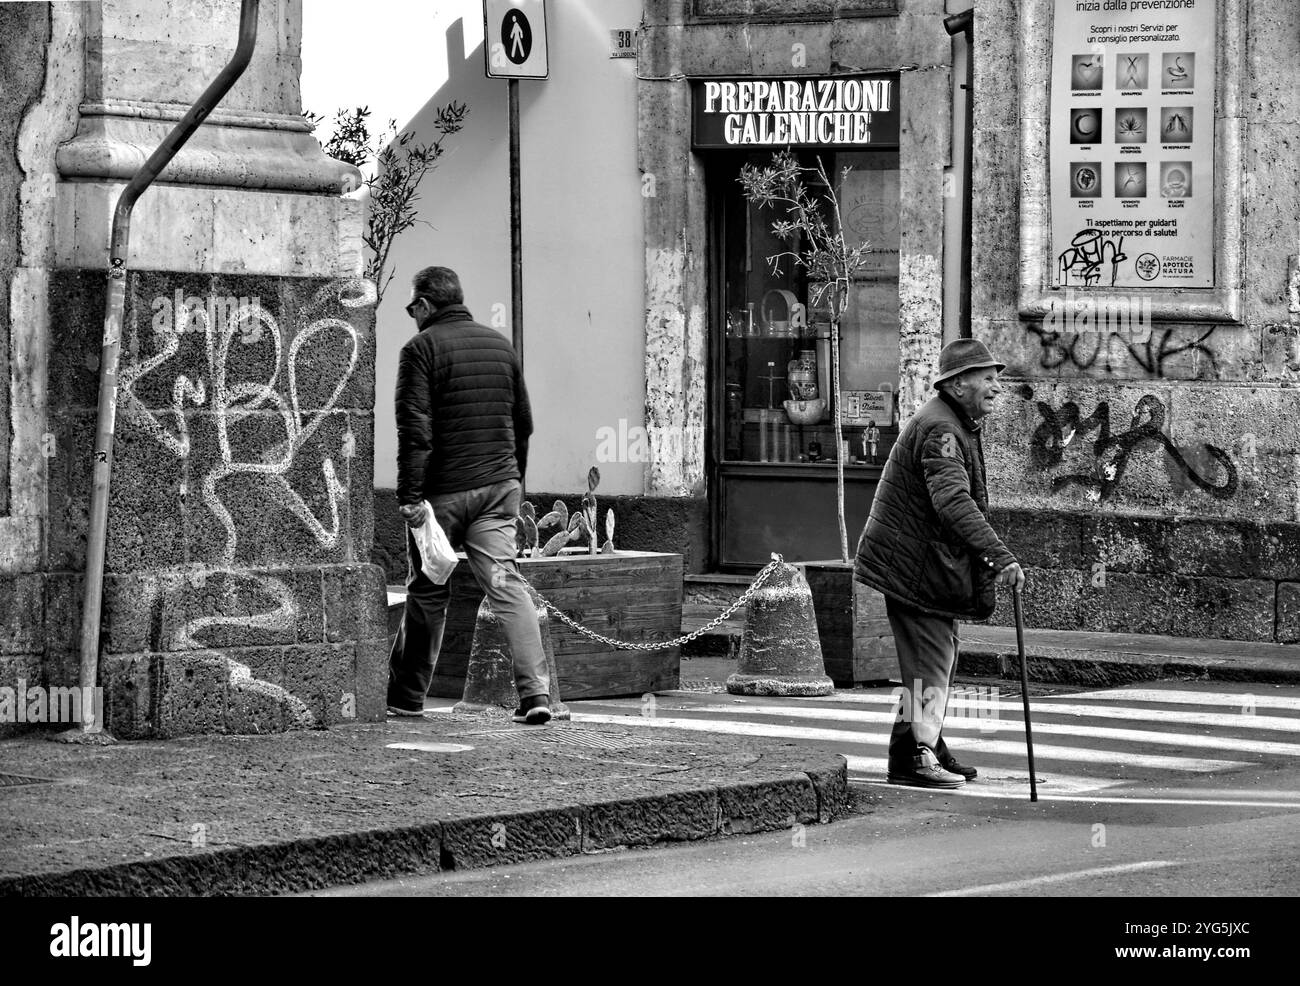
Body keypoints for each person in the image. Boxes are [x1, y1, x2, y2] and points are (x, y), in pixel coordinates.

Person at [853, 339, 1025, 788]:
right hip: (914, 565)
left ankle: (919, 746)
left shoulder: (951, 421)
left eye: (996, 379)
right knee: (931, 662)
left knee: (934, 660)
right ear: (959, 382)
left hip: (918, 561)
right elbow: (953, 502)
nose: (996, 388)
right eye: (987, 378)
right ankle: (916, 755)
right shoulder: (943, 430)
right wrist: (999, 556)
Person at [387, 266, 552, 724]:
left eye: (410, 307)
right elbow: (524, 424)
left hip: (444, 496)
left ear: (423, 305)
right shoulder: (501, 345)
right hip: (500, 489)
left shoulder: (420, 349)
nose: (411, 315)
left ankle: (407, 696)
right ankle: (536, 696)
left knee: (428, 589)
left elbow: (415, 429)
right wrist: (514, 480)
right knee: (506, 585)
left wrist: (410, 495)